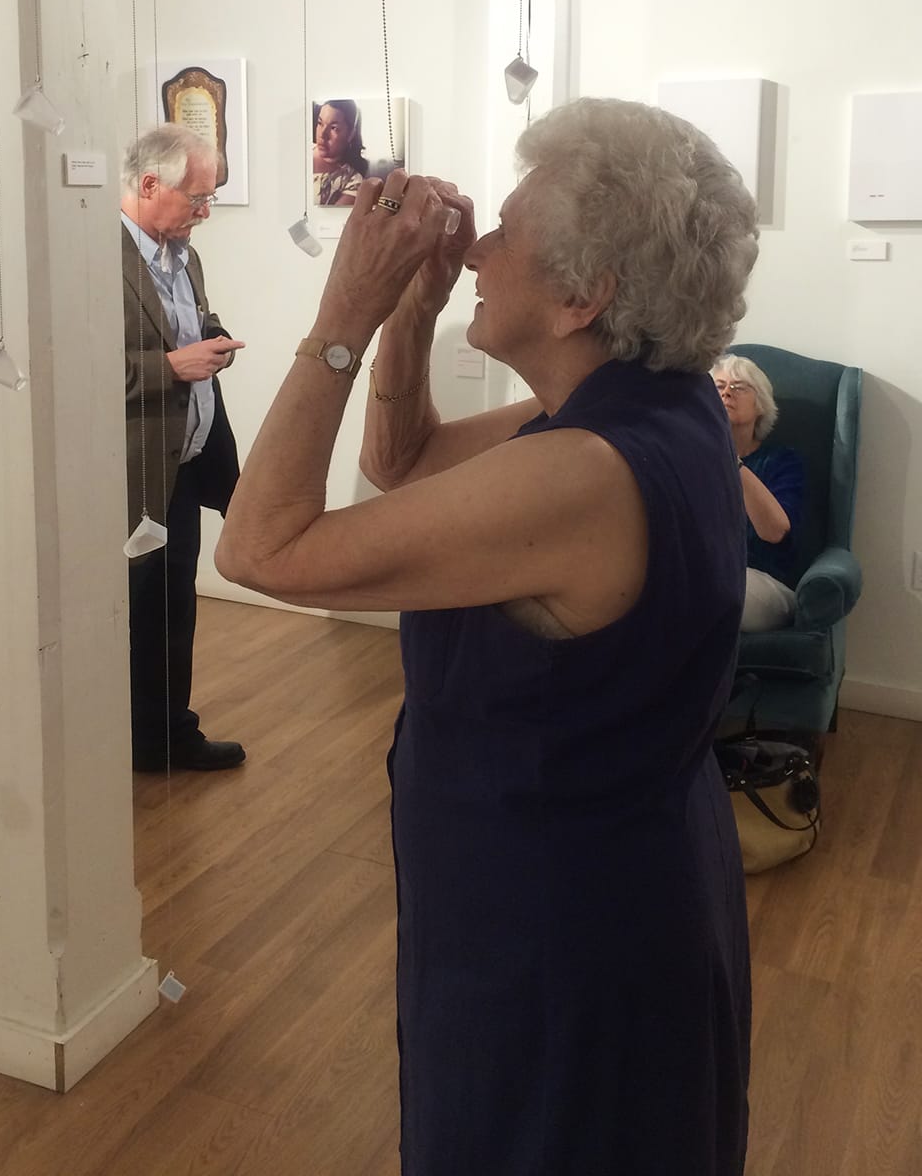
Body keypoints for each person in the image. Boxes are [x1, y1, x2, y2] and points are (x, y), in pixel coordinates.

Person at [217, 98, 760, 1175]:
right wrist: (414, 312)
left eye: (506, 230)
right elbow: (401, 462)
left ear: (582, 295)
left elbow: (258, 549)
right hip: (620, 867)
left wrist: (346, 308)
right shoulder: (654, 407)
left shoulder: (582, 474)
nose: (477, 248)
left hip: (557, 921)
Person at [120, 125, 247, 771]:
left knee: (174, 608)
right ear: (149, 184)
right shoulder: (93, 259)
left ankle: (167, 737)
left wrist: (212, 338)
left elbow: (191, 322)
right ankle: (115, 744)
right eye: (197, 198)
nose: (205, 212)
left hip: (186, 462)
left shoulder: (184, 256)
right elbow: (72, 372)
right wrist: (171, 367)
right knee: (131, 611)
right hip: (131, 471)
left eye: (209, 197)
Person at [711, 353, 805, 632]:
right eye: (718, 386)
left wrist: (731, 460)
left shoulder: (782, 461)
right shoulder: (690, 459)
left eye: (739, 387)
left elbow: (775, 531)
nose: (727, 392)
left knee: (709, 589)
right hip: (701, 574)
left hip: (762, 582)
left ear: (761, 405)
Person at [312, 98, 369, 206]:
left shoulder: (352, 181)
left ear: (350, 135)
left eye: (334, 128)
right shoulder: (301, 150)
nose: (322, 135)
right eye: (320, 123)